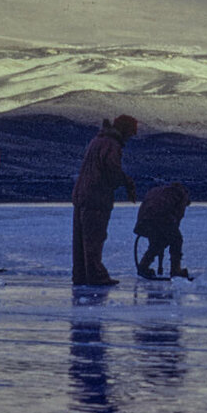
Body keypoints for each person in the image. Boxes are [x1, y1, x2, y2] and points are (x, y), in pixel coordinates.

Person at [72, 115, 139, 286]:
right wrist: (126, 182)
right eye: (131, 133)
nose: (131, 137)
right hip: (96, 197)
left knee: (82, 240)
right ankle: (96, 276)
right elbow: (112, 171)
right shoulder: (111, 144)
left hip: (82, 195)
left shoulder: (98, 140)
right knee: (94, 238)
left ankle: (81, 275)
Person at [134, 181, 192, 281]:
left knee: (157, 244)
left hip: (144, 220)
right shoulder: (182, 194)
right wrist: (173, 232)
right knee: (177, 240)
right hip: (162, 217)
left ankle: (143, 266)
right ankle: (176, 270)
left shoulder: (158, 191)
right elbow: (178, 216)